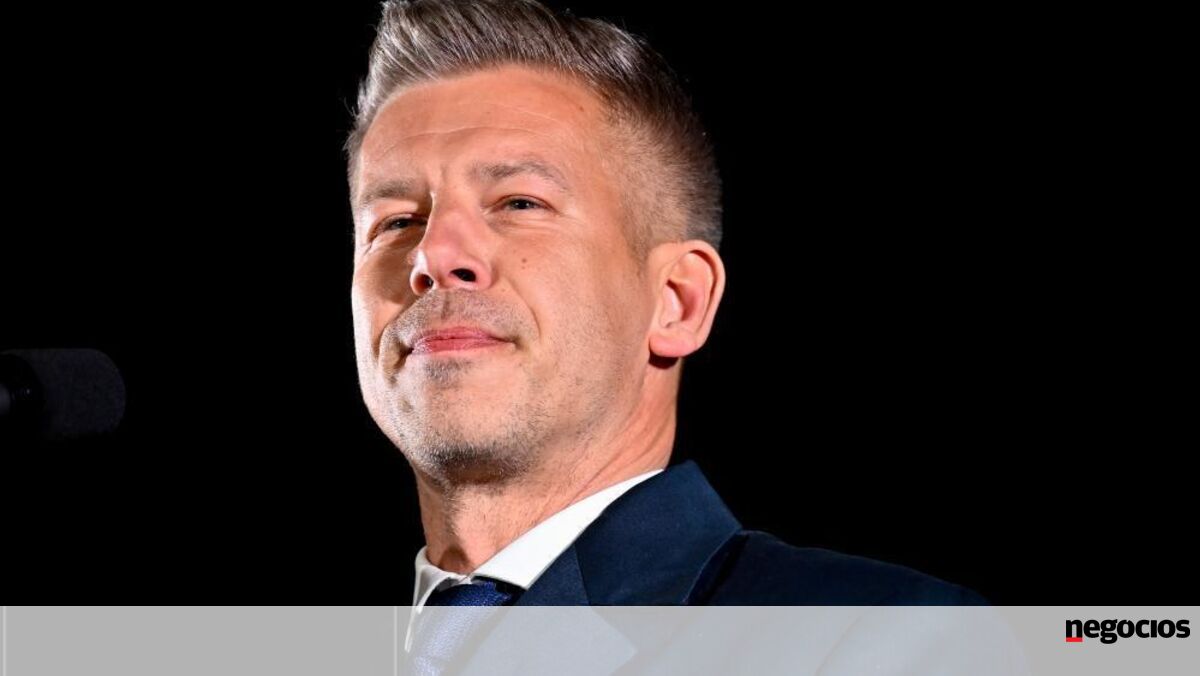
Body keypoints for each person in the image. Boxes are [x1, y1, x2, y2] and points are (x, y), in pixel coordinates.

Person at [343, 0, 988, 626]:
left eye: (519, 204)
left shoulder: (899, 636)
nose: (432, 255)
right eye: (396, 222)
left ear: (677, 301)